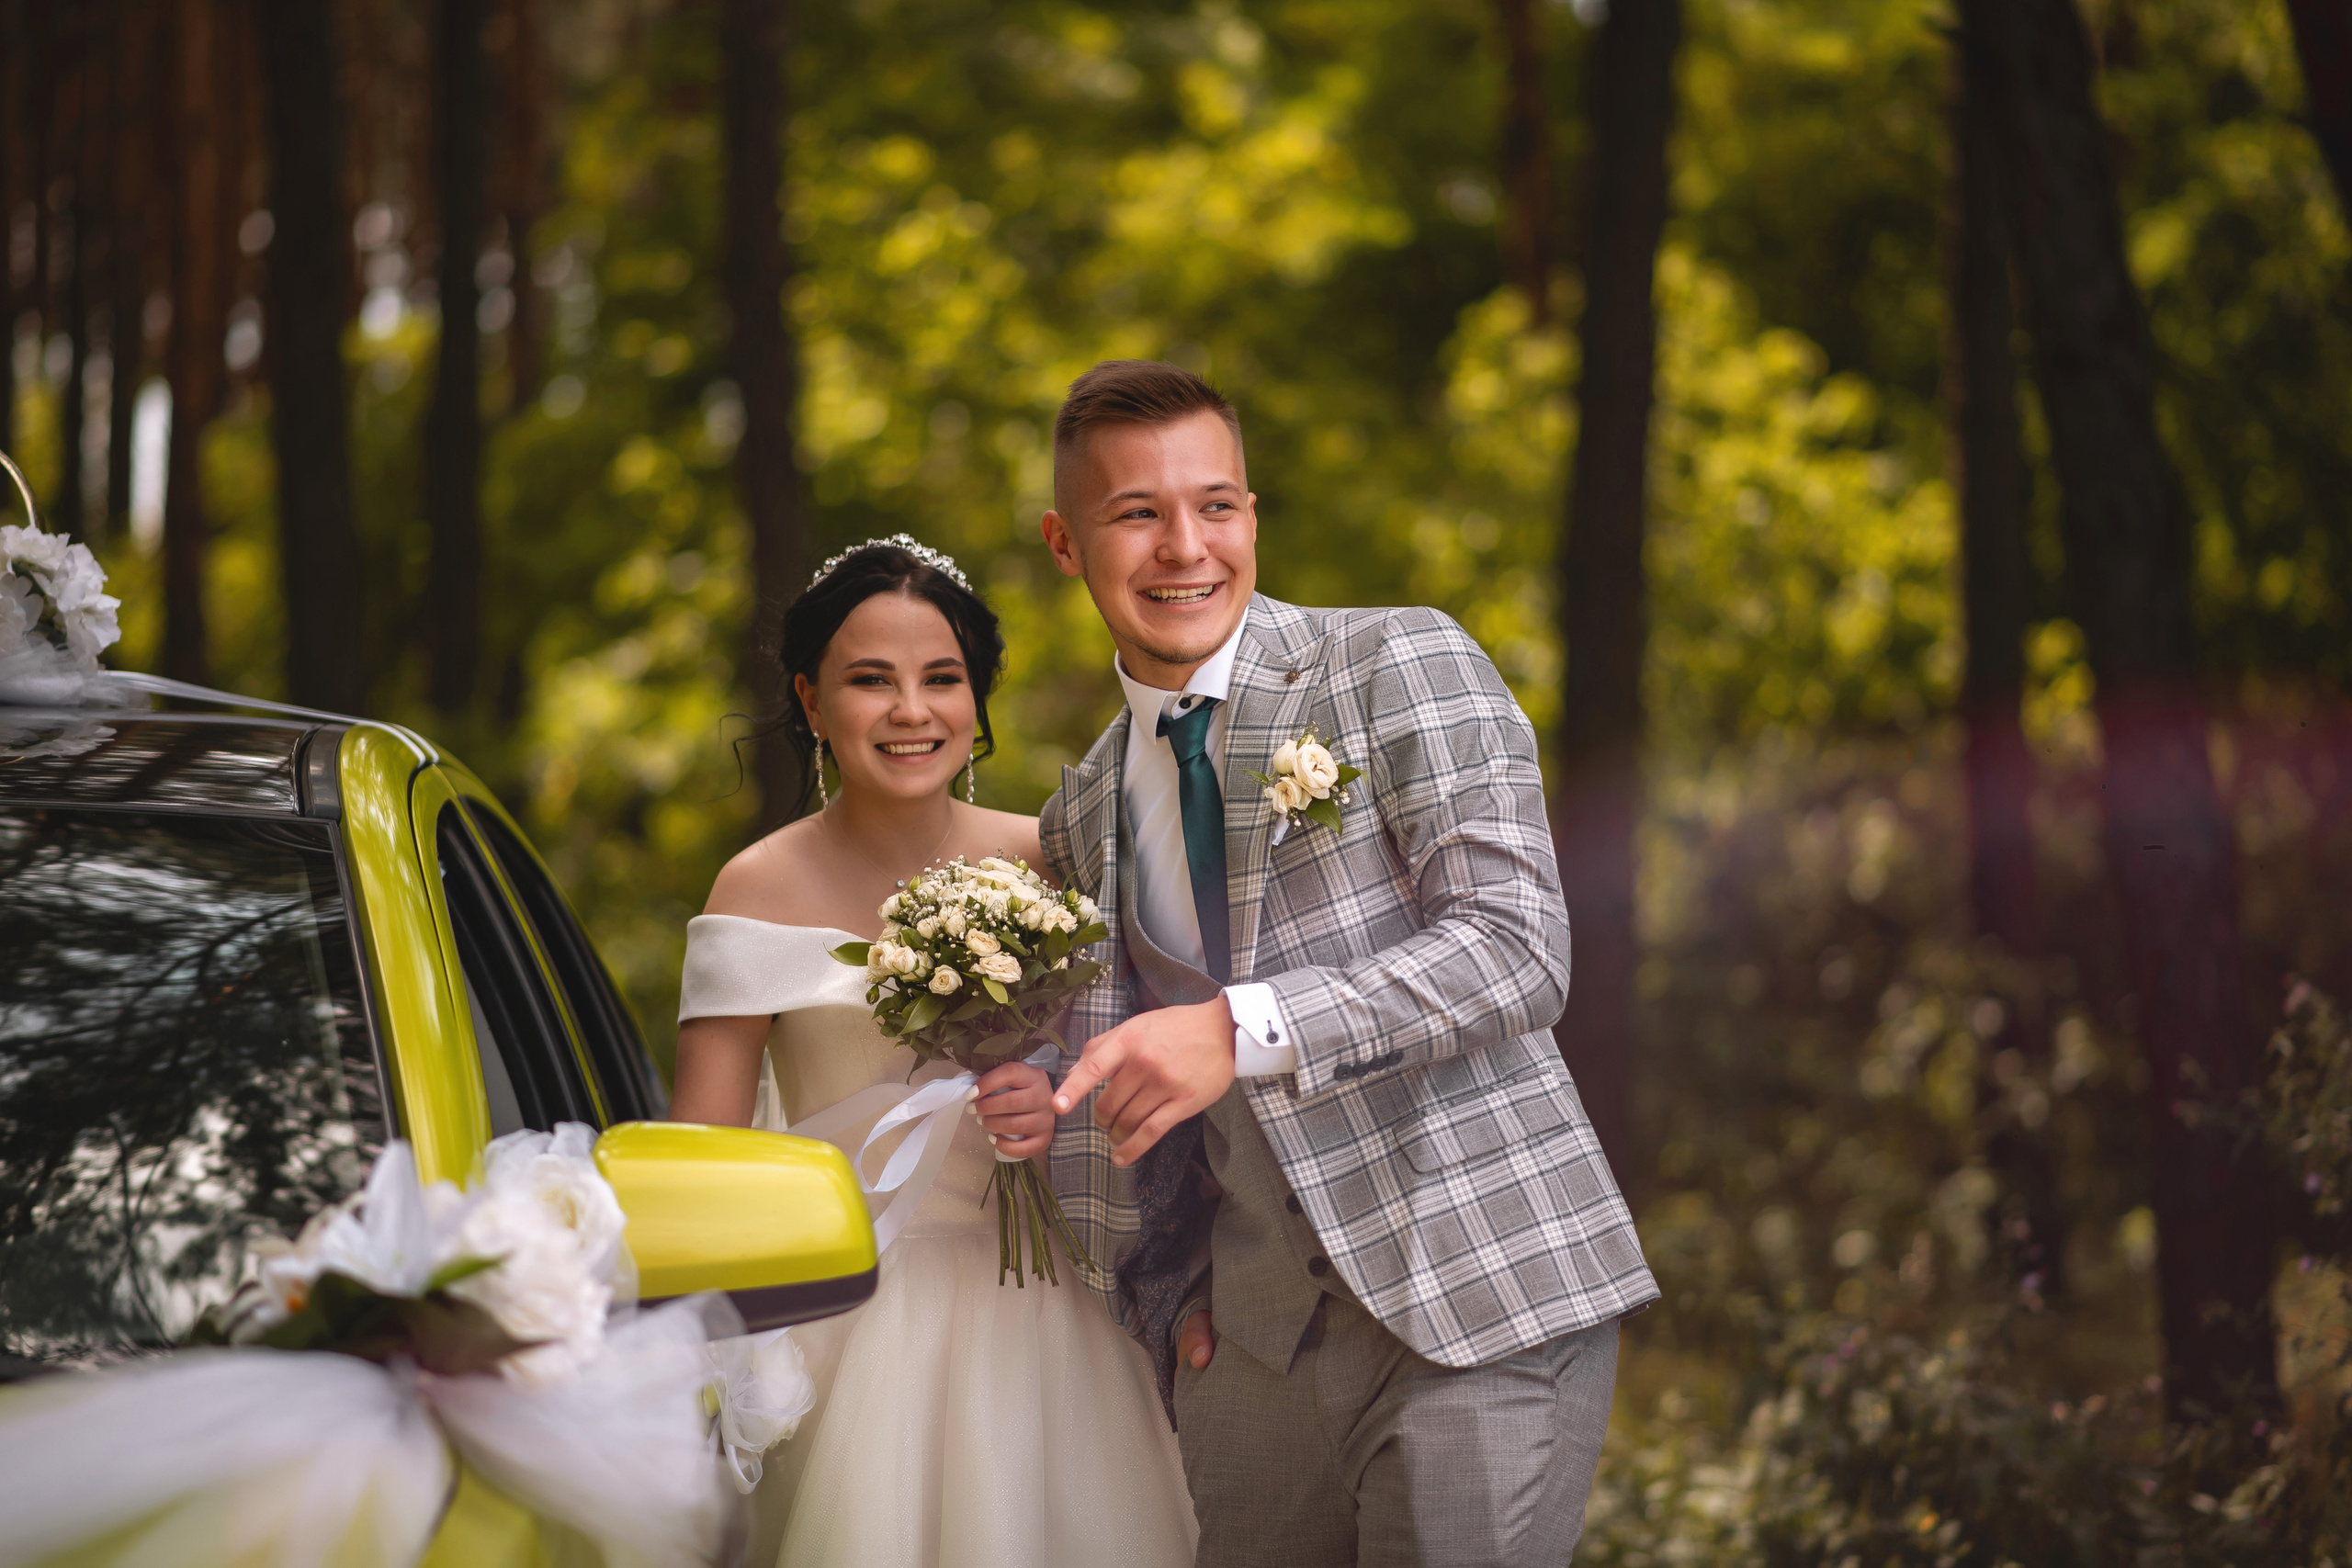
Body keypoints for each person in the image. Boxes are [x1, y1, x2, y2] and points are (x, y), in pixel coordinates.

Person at [1036, 361, 1659, 1566]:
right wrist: (1168, 1304)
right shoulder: (1081, 812)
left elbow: (1516, 948)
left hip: (1474, 1302)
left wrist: (1240, 1028)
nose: (1185, 548)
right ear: (1067, 543)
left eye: (1216, 505)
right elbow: (1128, 1112)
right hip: (1252, 1369)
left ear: (1252, 515)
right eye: (1136, 513)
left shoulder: (1393, 661)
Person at [670, 537, 1196, 1568]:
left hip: (1053, 1311)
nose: (912, 710)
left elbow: (1146, 1077)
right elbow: (703, 1166)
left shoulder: (1050, 858)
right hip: (840, 1318)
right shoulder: (754, 887)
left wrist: (1052, 1103)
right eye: (871, 680)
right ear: (811, 701)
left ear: (976, 698)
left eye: (942, 678)